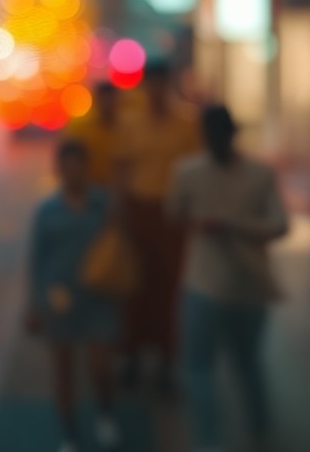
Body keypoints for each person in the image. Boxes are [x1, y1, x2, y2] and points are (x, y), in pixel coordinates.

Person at [169, 105, 289, 452]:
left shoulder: (254, 174)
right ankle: (251, 433)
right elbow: (175, 214)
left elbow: (280, 225)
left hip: (223, 286)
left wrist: (228, 224)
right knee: (238, 367)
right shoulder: (191, 172)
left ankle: (231, 437)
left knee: (208, 369)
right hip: (216, 284)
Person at [27, 140, 122, 452]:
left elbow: (120, 246)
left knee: (101, 366)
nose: (73, 173)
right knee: (64, 370)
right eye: (67, 167)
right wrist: (35, 305)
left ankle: (105, 414)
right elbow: (36, 259)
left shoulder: (104, 204)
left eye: (78, 166)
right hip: (60, 300)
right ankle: (69, 433)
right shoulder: (47, 210)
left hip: (98, 297)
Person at [115, 61, 200, 391]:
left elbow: (195, 173)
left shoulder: (186, 124)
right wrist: (119, 214)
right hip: (139, 213)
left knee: (169, 291)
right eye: (151, 84)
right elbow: (121, 170)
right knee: (134, 287)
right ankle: (132, 357)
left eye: (161, 84)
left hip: (173, 217)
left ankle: (167, 362)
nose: (156, 91)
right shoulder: (131, 123)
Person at [65, 82, 124, 189]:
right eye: (104, 99)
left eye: (110, 99)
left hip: (119, 187)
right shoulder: (81, 128)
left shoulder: (126, 128)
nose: (107, 104)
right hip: (90, 187)